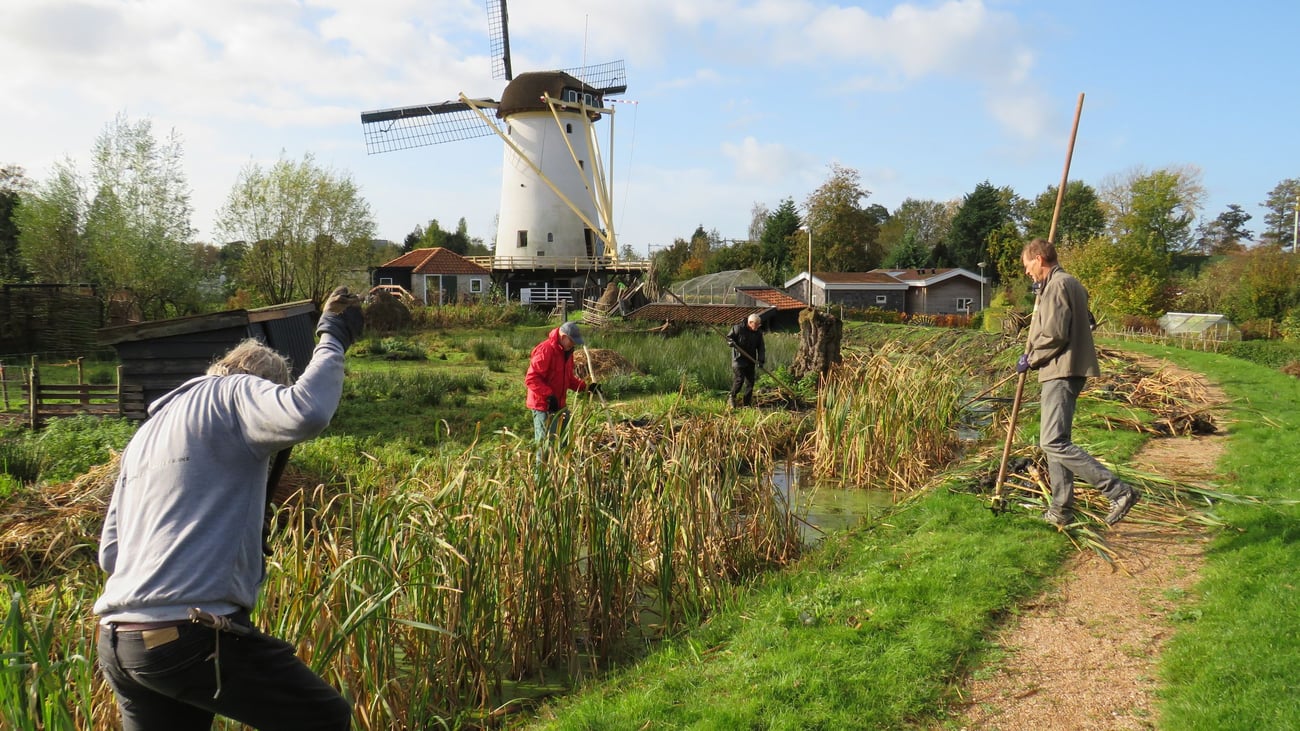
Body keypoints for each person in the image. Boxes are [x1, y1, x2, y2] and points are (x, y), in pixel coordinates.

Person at [94, 286, 364, 731]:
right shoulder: (236, 392)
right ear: (261, 386)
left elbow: (111, 553)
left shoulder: (147, 433)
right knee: (323, 717)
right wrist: (332, 334)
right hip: (187, 635)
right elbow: (306, 411)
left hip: (122, 642)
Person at [1018, 238, 1139, 528]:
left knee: (1052, 441)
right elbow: (1087, 320)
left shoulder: (1059, 285)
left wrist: (1031, 358)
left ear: (1039, 259)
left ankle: (1119, 491)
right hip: (1062, 370)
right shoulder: (1068, 284)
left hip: (1061, 370)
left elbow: (1055, 334)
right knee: (1055, 443)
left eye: (1027, 266)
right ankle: (1061, 510)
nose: (1026, 273)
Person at [525, 320, 598, 454]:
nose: (574, 344)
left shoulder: (567, 353)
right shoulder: (545, 350)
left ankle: (560, 473)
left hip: (560, 405)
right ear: (564, 337)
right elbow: (531, 378)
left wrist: (588, 387)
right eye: (572, 341)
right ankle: (541, 475)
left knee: (564, 443)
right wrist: (548, 395)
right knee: (545, 447)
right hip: (543, 406)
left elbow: (568, 380)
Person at [726, 313, 766, 408]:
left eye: (759, 325)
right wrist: (730, 342)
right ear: (750, 322)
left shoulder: (758, 333)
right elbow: (729, 337)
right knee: (739, 380)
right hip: (738, 360)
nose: (757, 327)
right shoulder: (738, 328)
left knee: (750, 383)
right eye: (756, 325)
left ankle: (747, 403)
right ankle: (732, 397)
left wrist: (760, 361)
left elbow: (761, 348)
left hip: (750, 360)